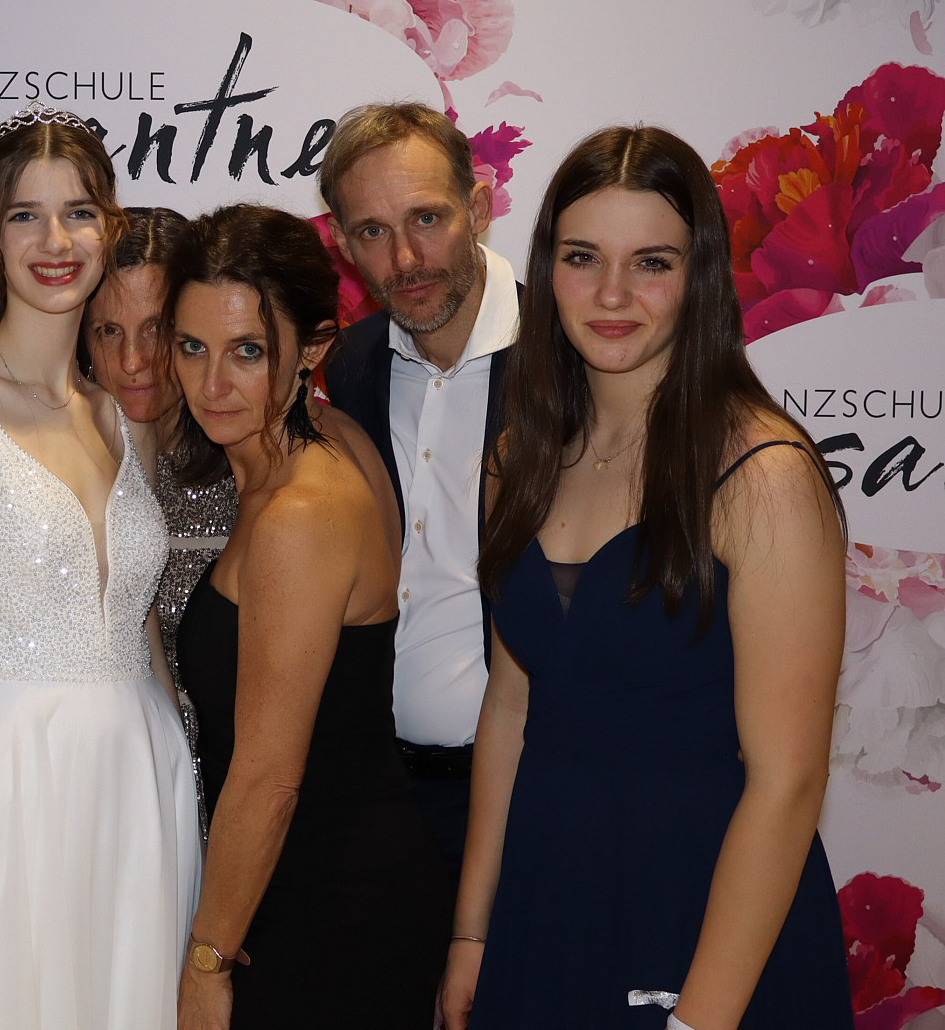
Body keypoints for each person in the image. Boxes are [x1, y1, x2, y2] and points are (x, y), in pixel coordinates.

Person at [441, 126, 851, 1030]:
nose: (612, 294)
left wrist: (698, 1021)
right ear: (548, 267)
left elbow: (787, 782)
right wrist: (472, 933)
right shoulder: (517, 458)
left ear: (698, 275)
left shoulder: (763, 477)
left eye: (651, 263)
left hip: (708, 916)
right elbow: (510, 708)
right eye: (583, 257)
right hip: (547, 908)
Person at [0, 103, 201, 1027]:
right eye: (26, 215)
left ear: (109, 227)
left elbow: (137, 628)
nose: (56, 241)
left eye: (79, 213)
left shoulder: (122, 418)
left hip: (139, 788)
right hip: (6, 781)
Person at [168, 204, 449, 1029]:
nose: (211, 385)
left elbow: (269, 779)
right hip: (323, 887)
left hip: (326, 915)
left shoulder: (301, 513)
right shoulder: (332, 436)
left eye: (248, 351)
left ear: (315, 348)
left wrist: (206, 964)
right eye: (191, 346)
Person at [318, 102, 521, 880]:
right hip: (385, 799)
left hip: (540, 794)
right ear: (343, 244)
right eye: (372, 231)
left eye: (427, 218)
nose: (405, 257)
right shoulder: (351, 367)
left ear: (480, 208)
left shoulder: (572, 361)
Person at [84, 206, 235, 768]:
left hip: (231, 774)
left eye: (157, 329)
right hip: (112, 774)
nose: (133, 361)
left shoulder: (250, 466)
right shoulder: (52, 482)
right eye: (109, 332)